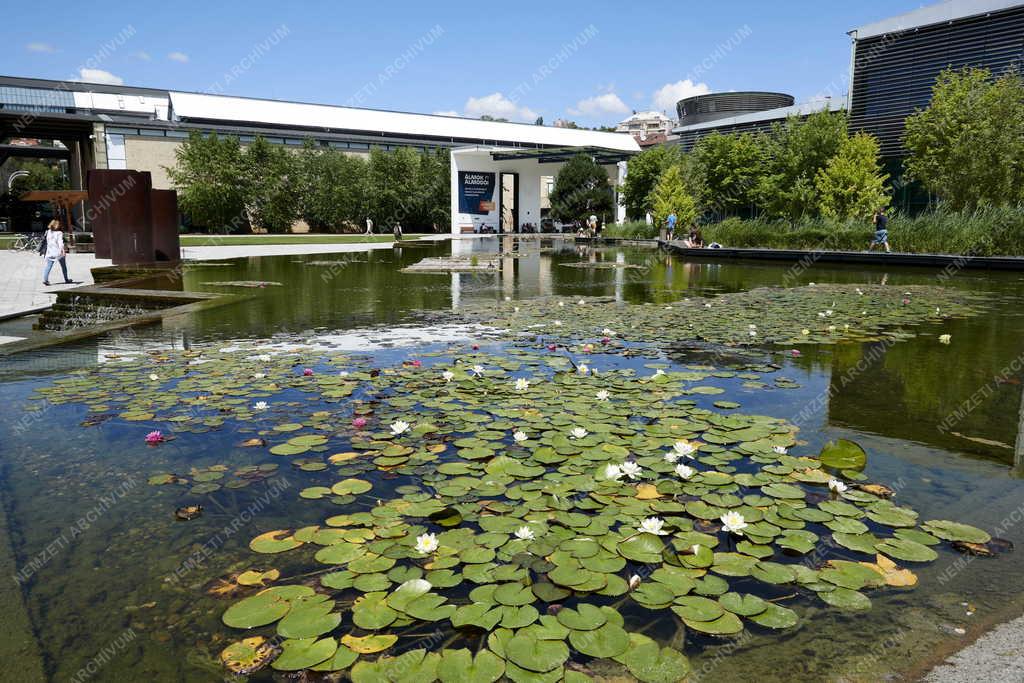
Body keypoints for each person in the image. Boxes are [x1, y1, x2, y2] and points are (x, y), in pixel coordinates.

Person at [41, 219, 72, 286]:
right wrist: (63, 251)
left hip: (50, 252)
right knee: (63, 266)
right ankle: (66, 279)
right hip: (58, 252)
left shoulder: (48, 232)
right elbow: (60, 243)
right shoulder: (59, 233)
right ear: (57, 226)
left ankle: (45, 280)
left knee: (48, 266)